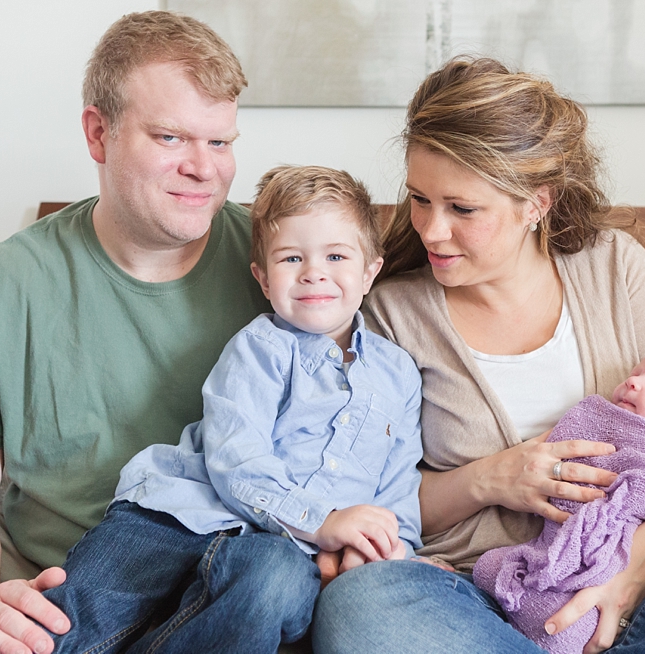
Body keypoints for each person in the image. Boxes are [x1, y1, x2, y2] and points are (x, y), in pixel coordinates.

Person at [312, 56, 645, 654]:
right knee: (365, 607)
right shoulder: (389, 314)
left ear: (535, 204)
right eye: (419, 199)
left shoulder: (615, 266)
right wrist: (491, 479)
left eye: (462, 208)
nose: (430, 230)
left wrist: (627, 575)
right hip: (482, 595)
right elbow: (367, 493)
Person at [0, 11, 272, 654]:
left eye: (221, 143)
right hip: (41, 581)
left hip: (215, 582)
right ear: (99, 133)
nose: (205, 169)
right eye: (171, 138)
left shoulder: (283, 266)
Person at [40, 165, 423, 653]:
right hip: (177, 515)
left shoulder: (399, 374)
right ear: (263, 279)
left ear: (371, 271)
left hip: (279, 550)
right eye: (291, 258)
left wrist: (392, 548)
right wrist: (324, 520)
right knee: (76, 618)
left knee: (272, 590)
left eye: (335, 255)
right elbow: (235, 458)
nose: (314, 272)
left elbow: (398, 485)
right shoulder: (259, 348)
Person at [473, 349, 645, 654]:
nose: (632, 381)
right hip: (546, 542)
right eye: (635, 374)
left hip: (608, 559)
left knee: (565, 625)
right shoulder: (601, 420)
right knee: (487, 567)